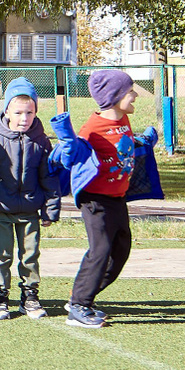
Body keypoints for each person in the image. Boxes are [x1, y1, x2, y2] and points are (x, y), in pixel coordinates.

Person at [48, 68, 163, 330]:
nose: (135, 95)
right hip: (95, 201)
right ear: (114, 97)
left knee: (121, 250)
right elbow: (72, 156)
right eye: (130, 91)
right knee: (100, 250)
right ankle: (79, 305)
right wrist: (67, 142)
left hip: (117, 198)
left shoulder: (123, 119)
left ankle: (80, 295)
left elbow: (123, 145)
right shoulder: (92, 129)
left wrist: (144, 141)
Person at [0, 78, 62, 320]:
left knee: (30, 255)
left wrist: (50, 209)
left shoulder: (41, 142)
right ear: (7, 111)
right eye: (18, 112)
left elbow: (49, 177)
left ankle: (30, 297)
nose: (24, 118)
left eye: (29, 112)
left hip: (30, 211)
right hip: (0, 211)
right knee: (1, 255)